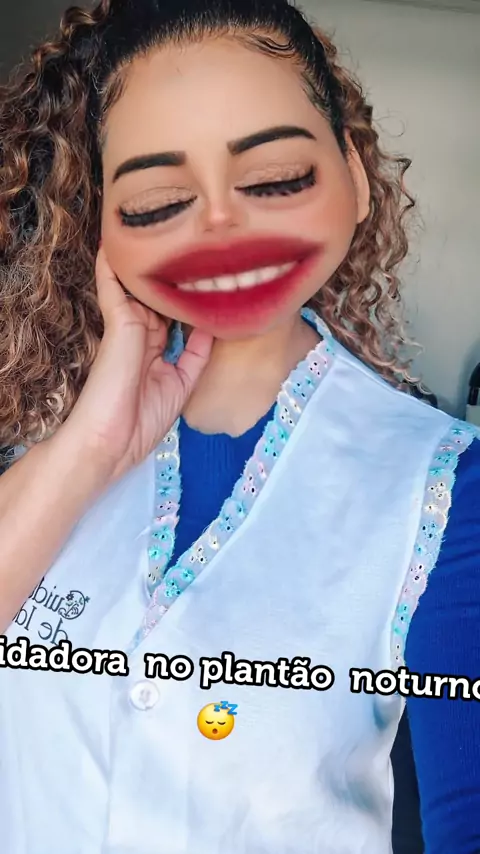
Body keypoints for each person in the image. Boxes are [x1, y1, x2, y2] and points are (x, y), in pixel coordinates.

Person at [0, 1, 479, 851]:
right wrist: (89, 449)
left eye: (277, 179)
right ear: (102, 226)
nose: (220, 223)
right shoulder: (37, 432)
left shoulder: (443, 487)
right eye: (157, 202)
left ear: (357, 179)